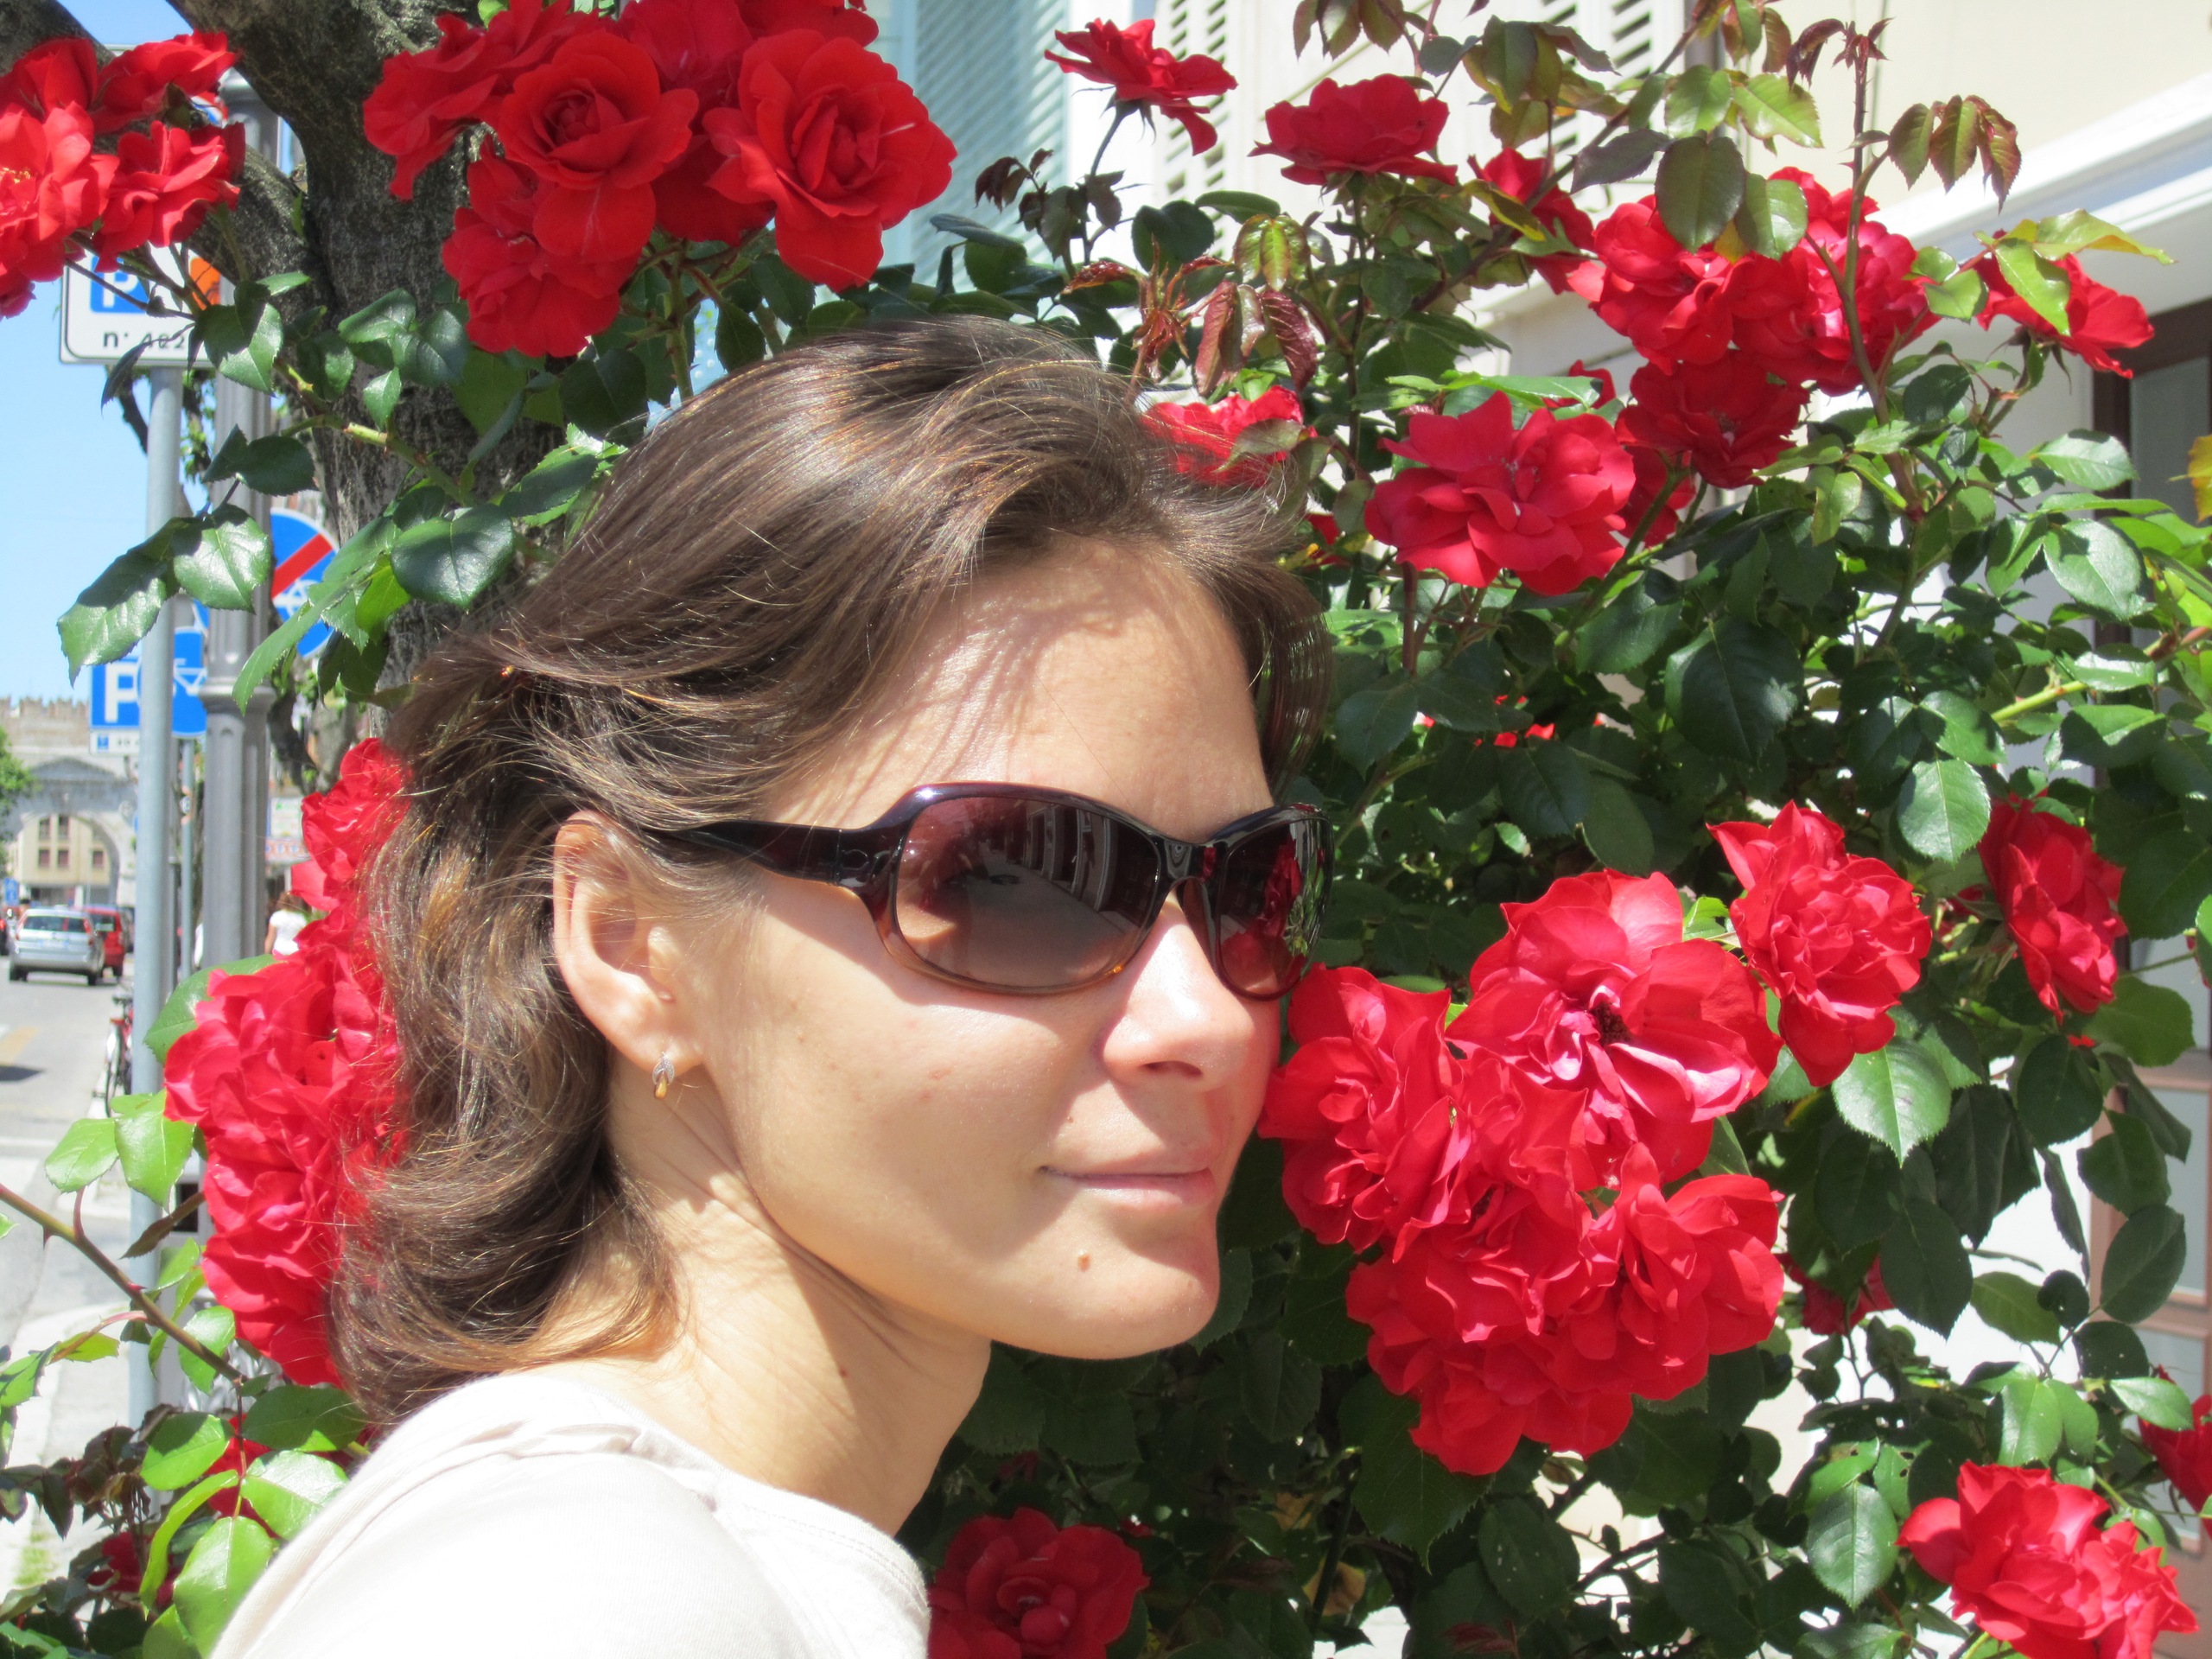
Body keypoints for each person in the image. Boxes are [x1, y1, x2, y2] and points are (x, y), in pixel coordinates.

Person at [216, 319, 1329, 1659]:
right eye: (1020, 878)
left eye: (1247, 882)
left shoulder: (660, 1572)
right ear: (630, 943)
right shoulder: (572, 1608)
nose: (1206, 1017)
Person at [262, 893, 308, 958]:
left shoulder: (276, 916)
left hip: (279, 950)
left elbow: (271, 938)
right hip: (295, 950)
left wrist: (266, 954)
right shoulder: (300, 918)